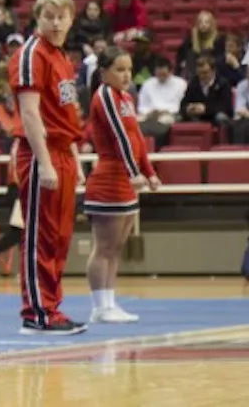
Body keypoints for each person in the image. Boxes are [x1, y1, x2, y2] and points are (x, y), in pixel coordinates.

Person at [8, 0, 87, 335]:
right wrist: (45, 162)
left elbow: (65, 115)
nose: (56, 23)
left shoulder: (63, 57)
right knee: (40, 236)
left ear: (71, 19)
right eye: (49, 17)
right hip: (40, 153)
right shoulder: (32, 54)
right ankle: (36, 312)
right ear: (37, 18)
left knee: (59, 236)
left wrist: (72, 156)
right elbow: (30, 114)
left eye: (62, 17)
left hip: (62, 152)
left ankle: (52, 308)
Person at [84, 47, 161, 324]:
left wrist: (149, 171)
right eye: (120, 69)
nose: (126, 74)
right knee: (104, 247)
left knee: (115, 248)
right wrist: (133, 171)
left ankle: (109, 302)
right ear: (104, 72)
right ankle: (98, 306)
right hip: (109, 180)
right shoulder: (104, 95)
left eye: (129, 69)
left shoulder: (125, 96)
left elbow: (137, 138)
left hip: (125, 181)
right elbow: (118, 135)